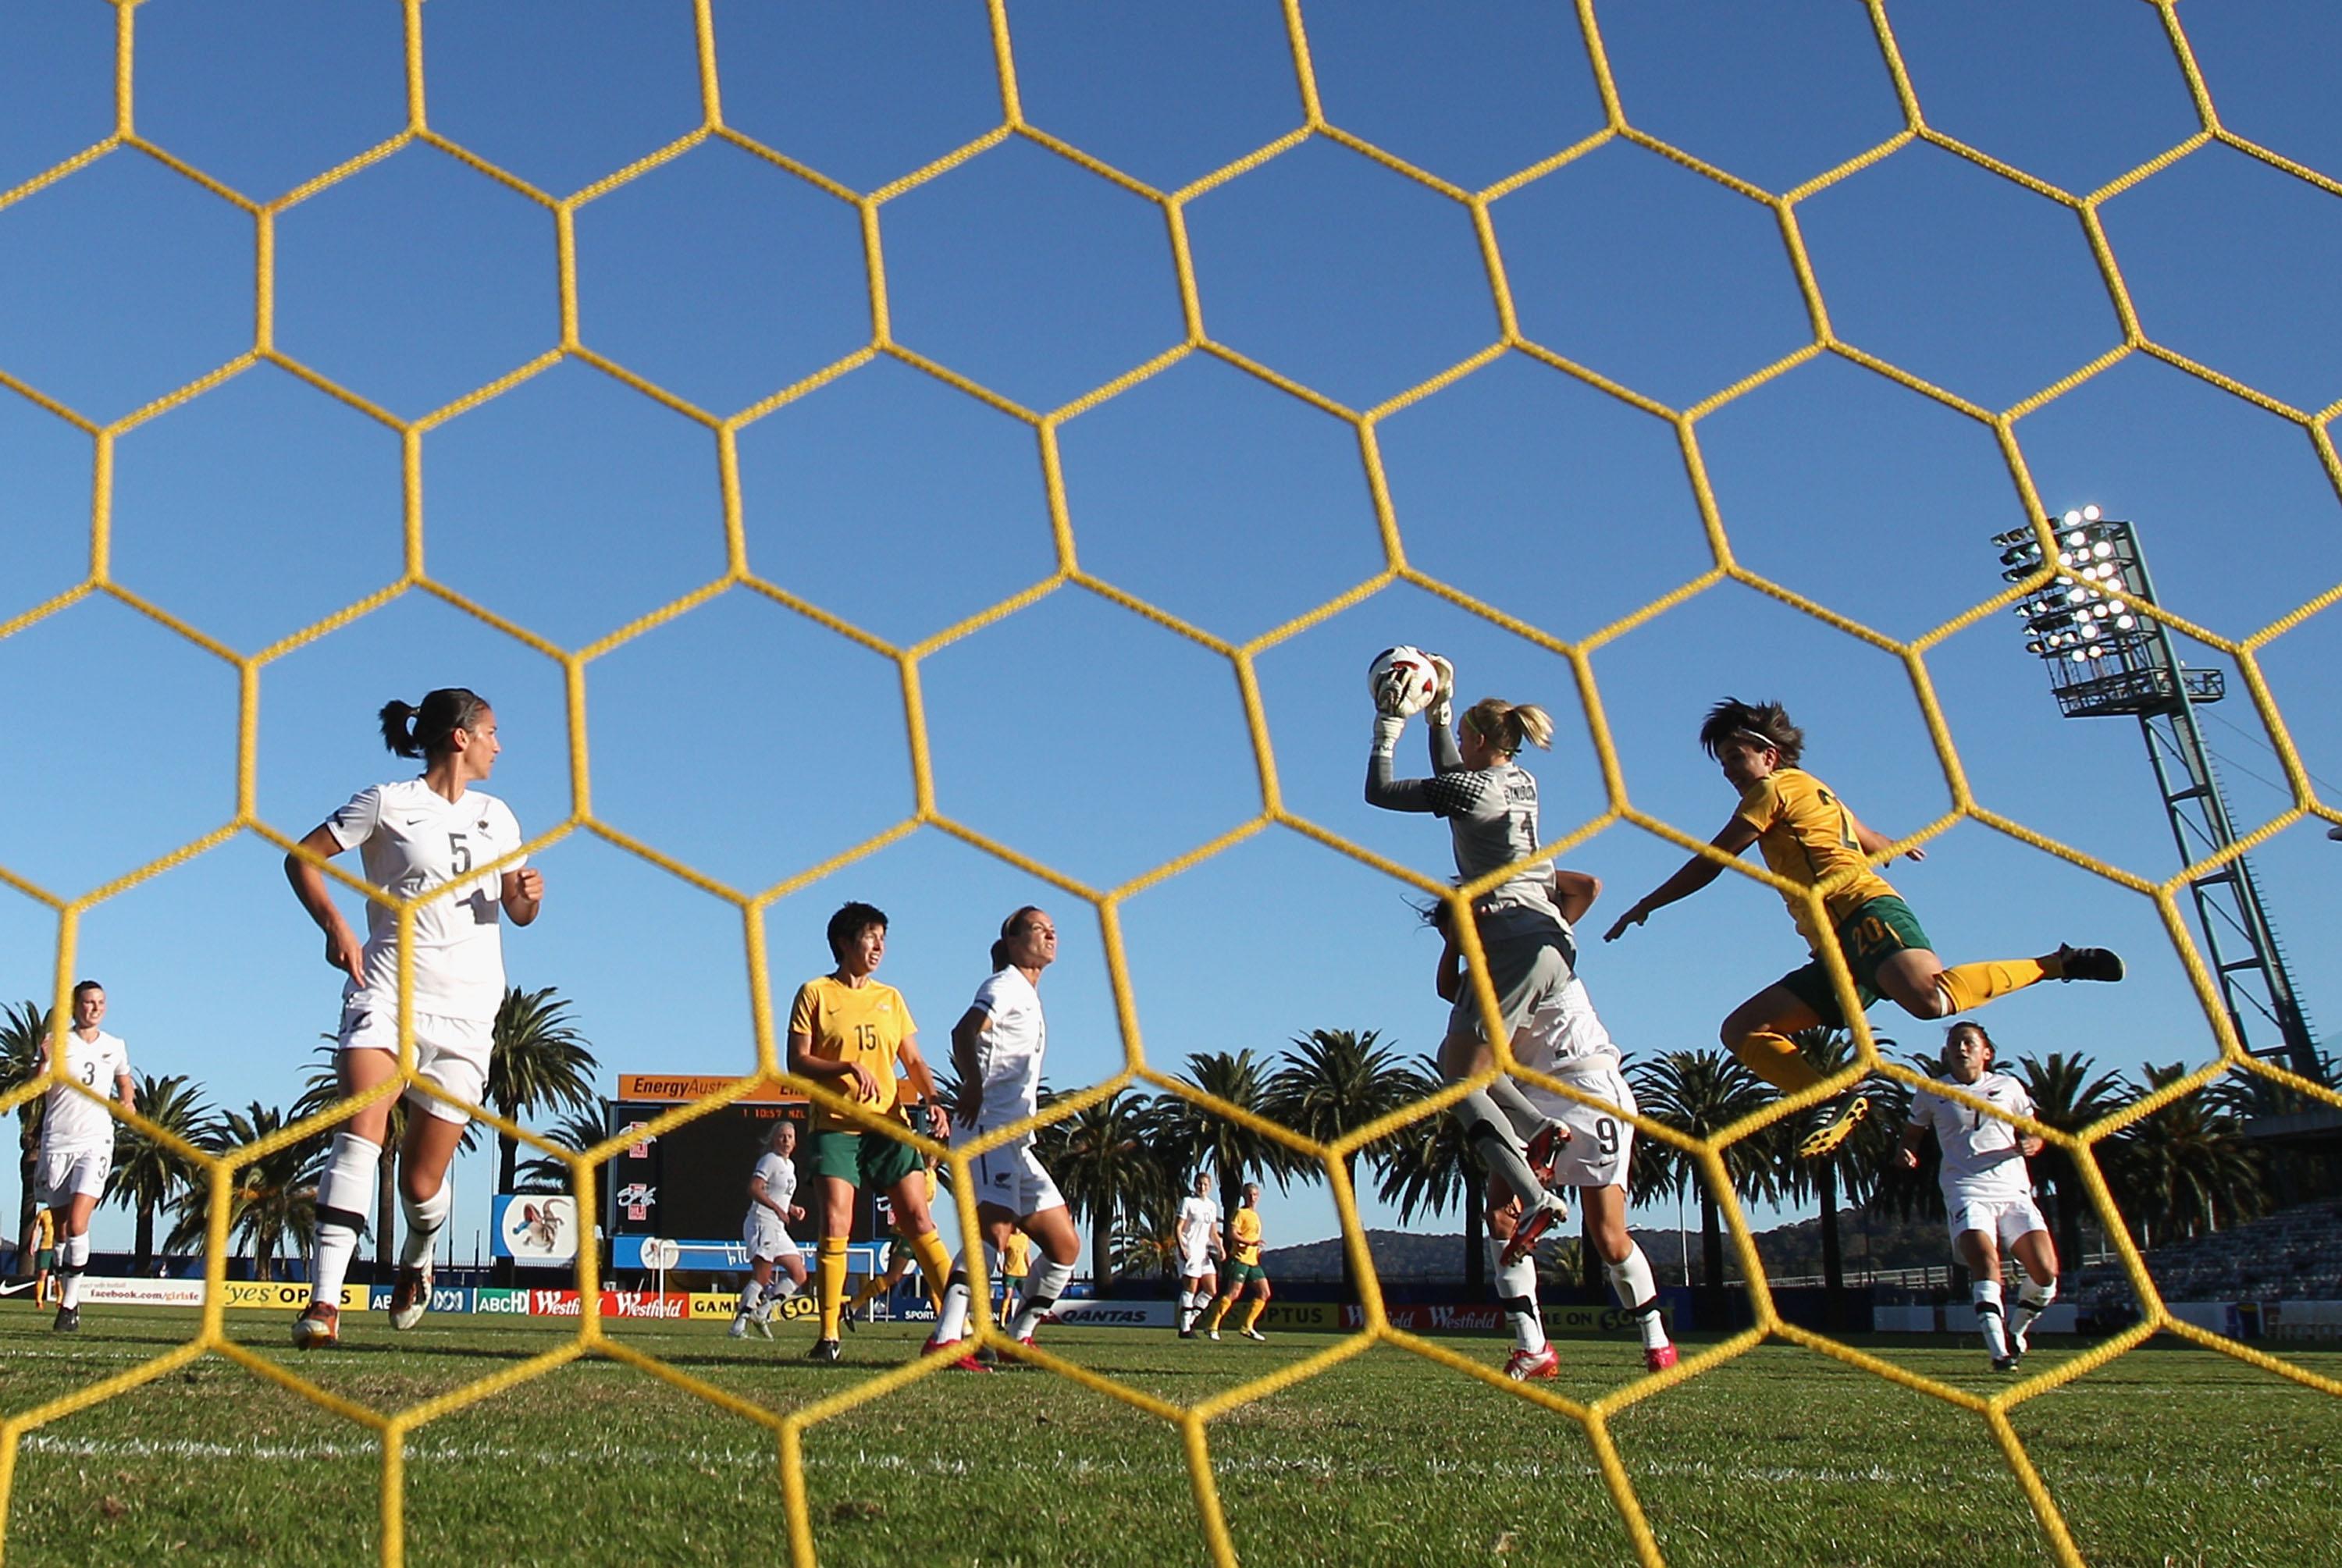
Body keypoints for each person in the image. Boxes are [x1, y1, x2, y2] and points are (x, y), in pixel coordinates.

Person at [1603, 698, 2123, 1160]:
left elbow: (1714, 859)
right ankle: (1833, 1097)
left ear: (1770, 755)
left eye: (1736, 758)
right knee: (1742, 1030)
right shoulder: (1816, 789)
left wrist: (1649, 902)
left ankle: (2057, 964)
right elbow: (1864, 832)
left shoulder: (1772, 790)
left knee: (1928, 999)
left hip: (1863, 909)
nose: (1730, 772)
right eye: (1723, 764)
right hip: (1832, 946)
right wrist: (1891, 844)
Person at [284, 689, 542, 1349]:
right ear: (460, 736)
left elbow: (517, 913)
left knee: (421, 1182)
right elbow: (302, 858)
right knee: (360, 1129)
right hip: (388, 992)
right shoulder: (386, 801)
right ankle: (324, 1304)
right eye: (492, 731)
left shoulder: (499, 816)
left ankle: (418, 1258)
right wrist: (337, 925)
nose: (498, 744)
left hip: (468, 1010)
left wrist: (526, 896)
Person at [1364, 659, 1575, 1261]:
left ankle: (1534, 1195)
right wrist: (1441, 715)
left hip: (1509, 936)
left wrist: (1388, 727)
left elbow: (1380, 792)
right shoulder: (1520, 780)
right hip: (1550, 933)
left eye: (1462, 736)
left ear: (1481, 742)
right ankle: (1540, 1128)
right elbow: (1455, 784)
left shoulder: (1474, 786)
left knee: (1460, 1082)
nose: (1457, 744)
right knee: (1464, 1062)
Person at [1429, 905, 1676, 1377]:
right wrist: (1452, 942)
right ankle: (1533, 1347)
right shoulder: (1481, 983)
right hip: (1531, 1093)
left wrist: (1532, 887)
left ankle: (1654, 1336)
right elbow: (1449, 990)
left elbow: (1587, 888)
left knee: (1608, 1236)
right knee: (1501, 1216)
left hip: (1588, 1086)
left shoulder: (1540, 952)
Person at [787, 901, 952, 1364]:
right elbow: (797, 1062)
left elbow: (914, 1061)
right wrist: (845, 1066)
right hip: (836, 1127)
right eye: (870, 936)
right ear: (844, 943)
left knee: (919, 1219)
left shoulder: (891, 998)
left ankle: (961, 1327)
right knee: (837, 1222)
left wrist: (934, 1101)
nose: (879, 945)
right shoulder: (815, 993)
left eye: (883, 937)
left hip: (889, 1125)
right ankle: (828, 1336)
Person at [929, 907, 1082, 1364]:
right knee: (993, 1232)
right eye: (1039, 928)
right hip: (988, 1129)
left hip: (1016, 1139)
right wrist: (973, 1085)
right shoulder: (1004, 985)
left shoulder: (1029, 995)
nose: (1050, 934)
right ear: (1013, 942)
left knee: (1065, 1245)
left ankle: (1017, 1338)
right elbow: (962, 1032)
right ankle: (945, 1339)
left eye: (1054, 929)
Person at [1900, 1022, 2059, 1371]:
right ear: (1947, 1053)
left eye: (1969, 1042)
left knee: (2046, 1272)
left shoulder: (2009, 1087)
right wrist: (1907, 1151)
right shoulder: (1932, 1091)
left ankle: (2016, 1331)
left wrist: (2034, 1142)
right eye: (1955, 1043)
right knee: (1986, 1260)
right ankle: (1999, 1352)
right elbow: (1912, 1135)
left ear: (1986, 1052)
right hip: (1965, 1189)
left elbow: (2034, 1130)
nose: (1962, 1048)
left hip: (2013, 1189)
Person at [35, 981, 135, 1332]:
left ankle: (70, 1305)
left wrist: (128, 1101)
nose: (94, 1008)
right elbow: (40, 1087)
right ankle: (65, 1287)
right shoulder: (59, 1041)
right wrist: (45, 1061)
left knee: (79, 1223)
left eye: (100, 1003)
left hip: (96, 1141)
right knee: (61, 1232)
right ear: (75, 1006)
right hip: (57, 1143)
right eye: (88, 1002)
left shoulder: (115, 1046)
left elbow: (125, 1080)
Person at [842, 1151, 941, 1325]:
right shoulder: (915, 1174)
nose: (932, 1156)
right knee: (893, 1277)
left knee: (935, 1277)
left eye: (935, 1154)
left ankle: (946, 1324)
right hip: (906, 1233)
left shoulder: (932, 1175)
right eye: (929, 1152)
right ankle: (852, 1307)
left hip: (923, 1232)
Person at [734, 1119, 808, 1340]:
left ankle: (762, 1312)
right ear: (774, 1139)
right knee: (762, 1275)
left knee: (799, 1273)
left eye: (790, 1137)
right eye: (782, 1136)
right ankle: (739, 1324)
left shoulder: (789, 1166)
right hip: (762, 1221)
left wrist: (792, 1209)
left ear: (795, 1142)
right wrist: (777, 1209)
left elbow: (778, 1194)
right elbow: (754, 1188)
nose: (786, 1141)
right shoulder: (770, 1160)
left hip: (777, 1225)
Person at [1201, 1183, 1272, 1342]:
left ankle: (1247, 1326)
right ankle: (1212, 1326)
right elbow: (1231, 1234)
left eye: (1254, 1195)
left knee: (1265, 1292)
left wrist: (1256, 1248)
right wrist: (1249, 1243)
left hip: (1252, 1262)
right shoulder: (1240, 1213)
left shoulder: (1256, 1216)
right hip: (1239, 1260)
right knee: (1233, 1294)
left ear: (1258, 1196)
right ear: (1243, 1196)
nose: (1252, 1198)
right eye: (1249, 1195)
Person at [1174, 1171, 1225, 1339]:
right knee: (1191, 1288)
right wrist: (1182, 1247)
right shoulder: (1188, 1202)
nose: (1202, 1187)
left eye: (1205, 1184)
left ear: (1210, 1187)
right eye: (1199, 1184)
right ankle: (1184, 1328)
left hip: (1203, 1253)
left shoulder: (1211, 1206)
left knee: (1211, 1289)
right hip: (1190, 1249)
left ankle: (1191, 1320)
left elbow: (1213, 1233)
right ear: (1195, 1185)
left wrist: (1220, 1248)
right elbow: (1178, 1227)